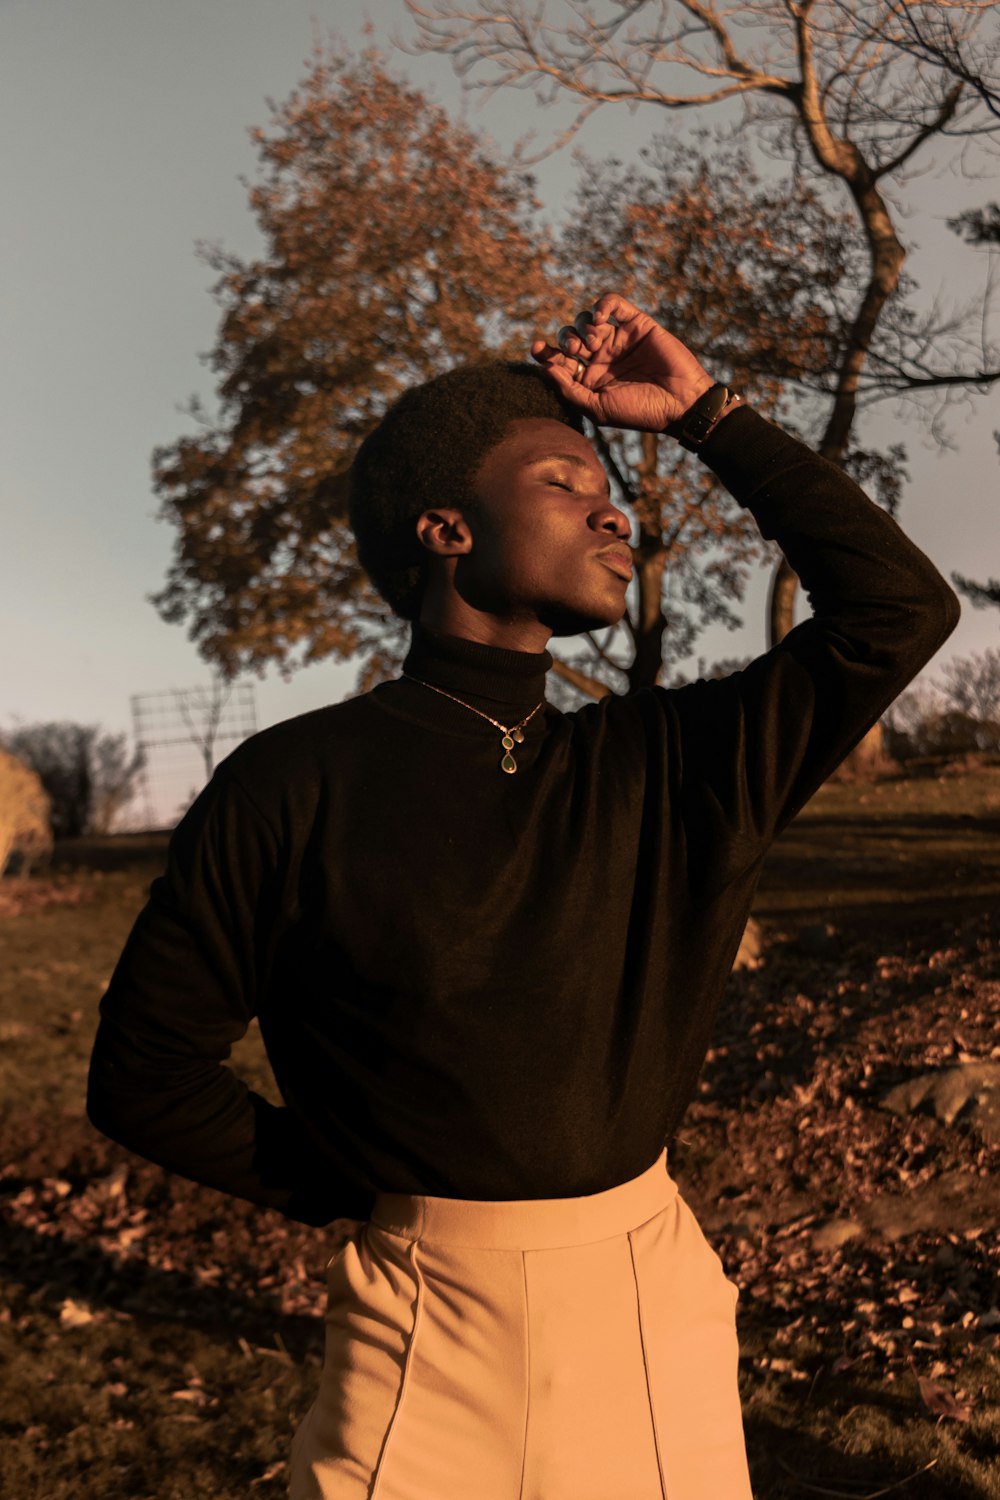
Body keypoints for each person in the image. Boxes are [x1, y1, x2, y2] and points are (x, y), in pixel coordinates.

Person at [87, 292, 959, 1499]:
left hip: (648, 1314)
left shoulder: (668, 765)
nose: (615, 505)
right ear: (446, 529)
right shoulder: (291, 785)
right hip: (415, 1334)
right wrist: (358, 1184)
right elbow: (144, 1073)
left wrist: (706, 412)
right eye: (562, 478)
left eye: (612, 484)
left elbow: (898, 614)